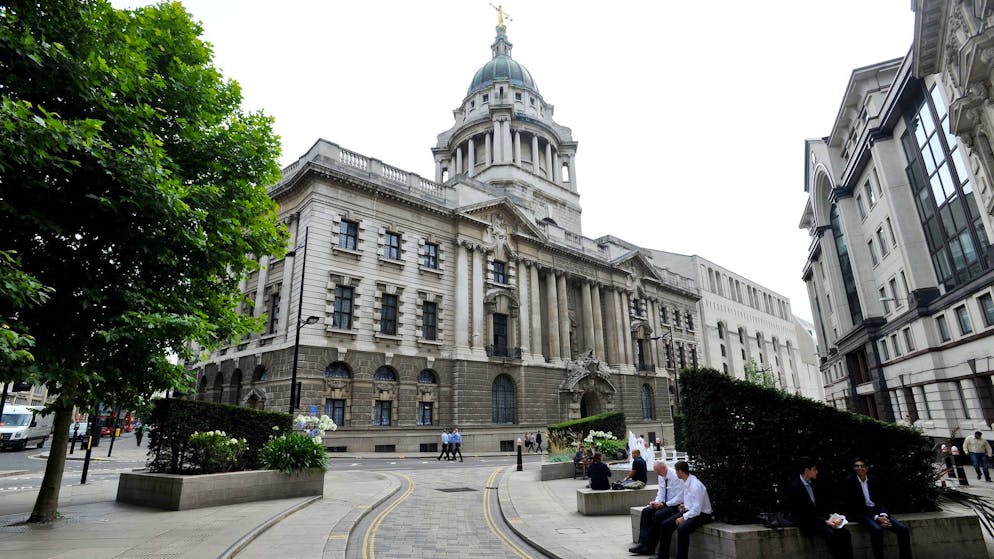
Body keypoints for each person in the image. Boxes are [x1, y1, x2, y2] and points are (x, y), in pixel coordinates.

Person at [843, 457, 912, 559]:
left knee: (903, 529)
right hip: (861, 513)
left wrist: (883, 515)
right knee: (877, 530)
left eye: (862, 466)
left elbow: (882, 500)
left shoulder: (874, 480)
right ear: (854, 468)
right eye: (857, 466)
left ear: (867, 468)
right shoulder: (850, 481)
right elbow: (855, 506)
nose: (859, 468)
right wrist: (876, 518)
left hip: (878, 511)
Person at [785, 457, 853, 559]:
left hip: (818, 518)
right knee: (831, 533)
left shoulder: (814, 482)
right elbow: (802, 514)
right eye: (815, 469)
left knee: (845, 533)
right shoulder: (795, 487)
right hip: (806, 521)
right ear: (807, 471)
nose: (817, 472)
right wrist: (826, 522)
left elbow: (820, 506)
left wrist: (831, 517)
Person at [654, 461, 712, 559]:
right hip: (691, 511)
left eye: (676, 471)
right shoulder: (687, 481)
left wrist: (683, 518)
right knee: (665, 525)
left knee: (682, 529)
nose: (675, 474)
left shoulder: (695, 485)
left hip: (702, 514)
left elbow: (697, 510)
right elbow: (693, 503)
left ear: (680, 471)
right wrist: (685, 505)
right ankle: (662, 557)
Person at [629, 460, 684, 555]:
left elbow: (679, 497)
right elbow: (661, 492)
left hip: (674, 505)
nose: (658, 474)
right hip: (664, 503)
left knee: (659, 515)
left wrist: (664, 504)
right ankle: (643, 544)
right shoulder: (661, 475)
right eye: (657, 472)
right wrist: (656, 502)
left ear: (664, 468)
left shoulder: (676, 477)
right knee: (646, 511)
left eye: (659, 472)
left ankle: (650, 547)